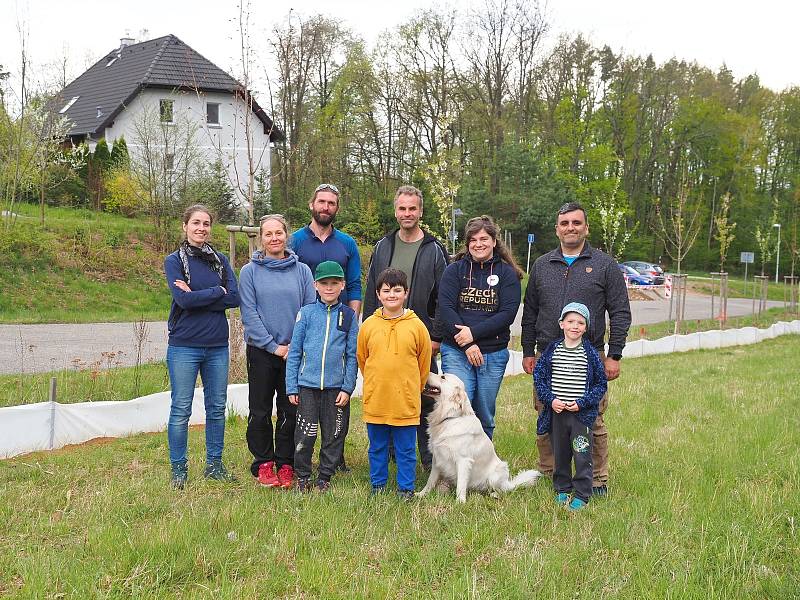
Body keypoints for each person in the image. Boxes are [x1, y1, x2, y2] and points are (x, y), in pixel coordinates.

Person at [521, 201, 631, 497]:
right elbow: (530, 311)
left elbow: (620, 311)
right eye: (565, 223)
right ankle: (551, 472)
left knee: (590, 416)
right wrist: (527, 350)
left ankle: (596, 477)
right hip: (548, 355)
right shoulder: (542, 265)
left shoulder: (605, 264)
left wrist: (614, 354)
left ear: (586, 228)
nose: (571, 228)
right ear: (557, 229)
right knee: (547, 412)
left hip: (591, 355)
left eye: (576, 223)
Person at [363, 185, 448, 470]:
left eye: (412, 208)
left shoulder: (434, 250)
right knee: (387, 398)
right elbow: (370, 290)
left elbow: (443, 297)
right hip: (384, 337)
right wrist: (368, 329)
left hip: (420, 339)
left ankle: (428, 459)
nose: (407, 213)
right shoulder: (383, 246)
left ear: (421, 211)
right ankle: (389, 457)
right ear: (396, 211)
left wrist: (436, 335)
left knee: (424, 399)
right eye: (402, 208)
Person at [164, 204, 240, 489]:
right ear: (185, 226)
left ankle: (214, 464)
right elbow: (183, 301)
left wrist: (198, 294)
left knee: (217, 408)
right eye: (195, 223)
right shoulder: (174, 261)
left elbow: (234, 297)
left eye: (206, 223)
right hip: (184, 345)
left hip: (217, 346)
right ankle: (179, 469)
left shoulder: (219, 260)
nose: (201, 228)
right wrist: (215, 292)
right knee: (181, 408)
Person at [290, 183, 363, 472]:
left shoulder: (347, 244)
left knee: (337, 400)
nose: (326, 207)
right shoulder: (295, 241)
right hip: (309, 322)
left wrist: (350, 319)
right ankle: (298, 460)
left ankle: (335, 459)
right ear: (312, 204)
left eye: (332, 203)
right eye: (321, 202)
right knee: (305, 406)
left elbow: (355, 285)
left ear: (336, 208)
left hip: (339, 323)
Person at [239, 214, 315, 489]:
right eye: (268, 234)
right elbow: (249, 314)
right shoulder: (249, 272)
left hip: (293, 352)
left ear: (287, 236)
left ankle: (285, 462)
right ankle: (263, 462)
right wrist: (273, 346)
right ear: (261, 238)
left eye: (278, 233)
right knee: (259, 410)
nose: (274, 238)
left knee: (289, 409)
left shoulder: (302, 271)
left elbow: (309, 311)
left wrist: (293, 347)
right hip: (261, 351)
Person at [437, 215, 523, 440]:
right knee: (455, 410)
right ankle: (453, 468)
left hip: (492, 354)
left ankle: (481, 468)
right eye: (473, 240)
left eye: (484, 238)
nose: (478, 244)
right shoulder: (454, 271)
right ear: (467, 244)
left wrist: (473, 334)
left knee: (484, 414)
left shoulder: (507, 275)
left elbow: (507, 314)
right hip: (456, 351)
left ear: (494, 241)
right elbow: (445, 308)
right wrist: (467, 343)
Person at [358, 268, 432, 499]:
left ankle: (405, 488)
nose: (392, 295)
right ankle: (378, 486)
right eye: (386, 291)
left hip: (406, 402)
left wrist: (413, 388)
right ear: (378, 294)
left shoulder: (416, 326)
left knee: (406, 450)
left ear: (406, 293)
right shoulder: (369, 325)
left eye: (397, 290)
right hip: (377, 399)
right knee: (377, 447)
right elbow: (362, 359)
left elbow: (424, 362)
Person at [286, 261, 359, 493]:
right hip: (307, 386)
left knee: (335, 433)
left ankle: (325, 475)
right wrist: (292, 387)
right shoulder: (306, 314)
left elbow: (352, 355)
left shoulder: (348, 316)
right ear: (315, 285)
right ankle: (303, 476)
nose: (329, 288)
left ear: (342, 285)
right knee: (305, 434)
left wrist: (347, 388)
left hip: (336, 389)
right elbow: (295, 351)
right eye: (324, 283)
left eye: (334, 283)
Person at [533, 303, 607, 511]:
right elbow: (539, 377)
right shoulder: (552, 350)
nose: (575, 326)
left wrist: (582, 403)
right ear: (561, 324)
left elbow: (601, 384)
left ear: (586, 327)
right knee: (561, 452)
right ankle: (562, 488)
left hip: (580, 416)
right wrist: (550, 400)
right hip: (557, 413)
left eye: (580, 323)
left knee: (582, 453)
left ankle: (583, 492)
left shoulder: (590, 353)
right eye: (571, 321)